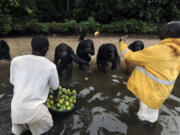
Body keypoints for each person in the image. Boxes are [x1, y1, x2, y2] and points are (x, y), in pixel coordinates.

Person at [119, 21, 180, 125]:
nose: (161, 32)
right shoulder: (177, 51)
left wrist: (122, 43)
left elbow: (130, 56)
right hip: (161, 92)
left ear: (169, 34)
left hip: (150, 92)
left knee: (145, 120)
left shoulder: (157, 51)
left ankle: (145, 129)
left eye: (164, 30)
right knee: (151, 113)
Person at [10, 35, 59, 135]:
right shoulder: (50, 66)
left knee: (17, 131)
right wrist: (54, 99)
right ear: (46, 49)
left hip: (16, 110)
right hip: (35, 113)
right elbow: (55, 88)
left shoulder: (16, 60)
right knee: (48, 125)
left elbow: (14, 82)